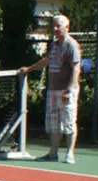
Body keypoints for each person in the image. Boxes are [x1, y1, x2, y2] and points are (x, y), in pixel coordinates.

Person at [18, 13, 82, 163]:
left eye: (58, 26)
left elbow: (76, 69)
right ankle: (53, 153)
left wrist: (68, 90)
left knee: (69, 122)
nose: (55, 29)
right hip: (52, 90)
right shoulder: (54, 44)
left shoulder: (72, 45)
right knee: (53, 123)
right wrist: (29, 69)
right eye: (53, 25)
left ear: (67, 27)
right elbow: (47, 60)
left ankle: (70, 153)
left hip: (66, 90)